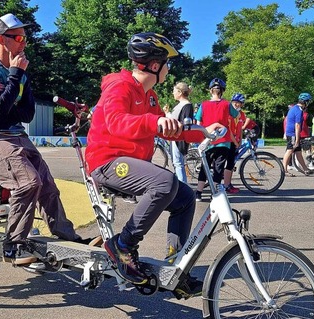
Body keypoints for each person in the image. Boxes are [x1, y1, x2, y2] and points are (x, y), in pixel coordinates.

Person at [85, 32, 222, 298]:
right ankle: (123, 246)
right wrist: (153, 122)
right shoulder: (120, 86)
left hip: (131, 163)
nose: (169, 69)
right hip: (107, 162)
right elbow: (116, 121)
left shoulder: (149, 96)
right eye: (167, 63)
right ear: (155, 65)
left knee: (184, 197)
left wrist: (202, 131)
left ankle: (176, 265)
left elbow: (168, 129)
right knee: (164, 181)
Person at [0, 12, 89, 266]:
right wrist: (14, 76)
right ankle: (13, 244)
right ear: (2, 39)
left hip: (17, 135)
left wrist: (14, 84)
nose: (24, 42)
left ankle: (67, 238)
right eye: (19, 37)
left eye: (26, 37)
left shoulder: (21, 72)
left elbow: (27, 113)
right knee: (28, 183)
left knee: (48, 187)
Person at [194, 78, 240, 198]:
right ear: (222, 91)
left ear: (210, 91)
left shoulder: (204, 105)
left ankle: (198, 192)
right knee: (218, 168)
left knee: (205, 166)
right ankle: (214, 193)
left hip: (207, 140)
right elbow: (237, 114)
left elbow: (198, 123)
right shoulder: (226, 104)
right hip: (223, 141)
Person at [168, 82, 194, 183]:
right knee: (177, 163)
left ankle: (183, 187)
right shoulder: (182, 105)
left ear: (179, 92)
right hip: (176, 136)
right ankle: (181, 186)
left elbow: (186, 122)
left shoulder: (186, 105)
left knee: (178, 163)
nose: (173, 93)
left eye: (174, 91)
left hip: (179, 137)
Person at [282, 93, 313, 176]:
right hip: (292, 134)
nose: (308, 103)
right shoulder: (298, 110)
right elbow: (297, 125)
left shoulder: (294, 108)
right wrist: (297, 139)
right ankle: (284, 170)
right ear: (305, 102)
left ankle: (305, 169)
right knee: (290, 150)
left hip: (291, 133)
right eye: (308, 101)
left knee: (298, 152)